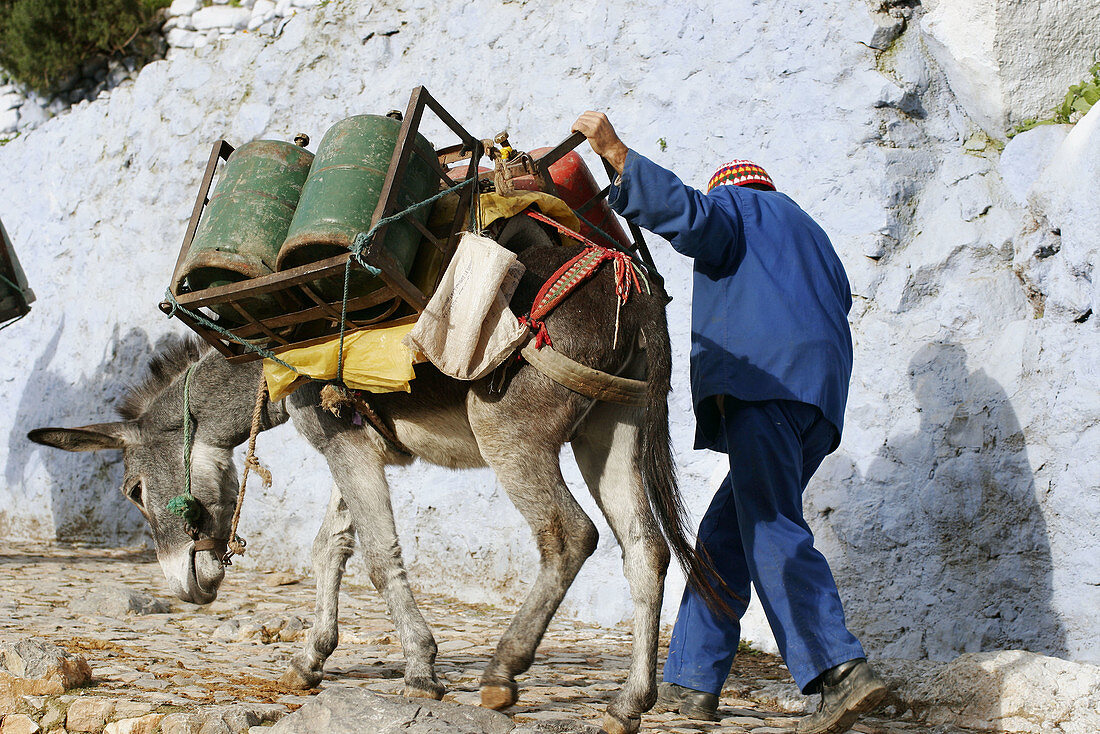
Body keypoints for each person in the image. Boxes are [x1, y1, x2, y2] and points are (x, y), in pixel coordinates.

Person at [570, 111, 887, 734]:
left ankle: (837, 671)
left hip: (763, 388)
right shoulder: (812, 231)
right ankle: (693, 679)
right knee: (723, 536)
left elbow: (694, 218)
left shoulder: (738, 210)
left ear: (734, 189)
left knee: (770, 528)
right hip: (817, 403)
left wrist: (617, 155)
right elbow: (839, 300)